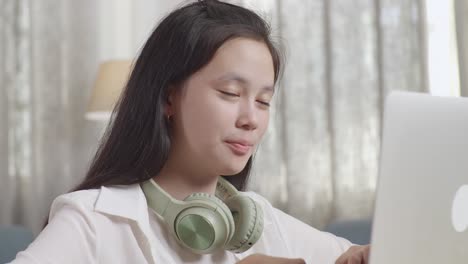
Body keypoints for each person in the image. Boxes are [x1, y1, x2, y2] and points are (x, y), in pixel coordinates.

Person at [10, 1, 370, 263]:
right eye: (230, 94)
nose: (251, 119)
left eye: (263, 101)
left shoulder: (259, 220)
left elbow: (358, 256)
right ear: (169, 98)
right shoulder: (91, 220)